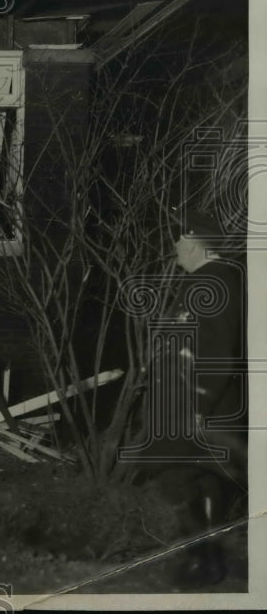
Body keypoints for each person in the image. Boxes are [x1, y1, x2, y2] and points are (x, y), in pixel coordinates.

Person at [145, 206, 247, 587]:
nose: (174, 244)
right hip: (190, 404)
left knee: (194, 481)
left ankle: (205, 563)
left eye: (181, 238)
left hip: (202, 407)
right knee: (191, 482)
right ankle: (202, 560)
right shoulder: (207, 281)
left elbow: (218, 352)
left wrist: (198, 407)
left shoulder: (215, 283)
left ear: (198, 244)